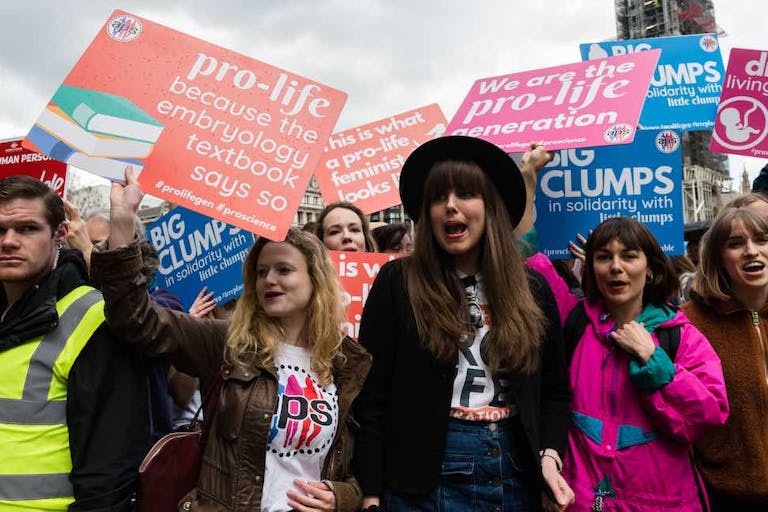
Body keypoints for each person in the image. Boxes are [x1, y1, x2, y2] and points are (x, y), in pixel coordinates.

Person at [89, 169, 372, 511]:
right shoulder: (229, 343)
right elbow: (134, 318)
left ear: (316, 280)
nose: (269, 280)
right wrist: (123, 222)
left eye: (283, 270)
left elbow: (358, 467)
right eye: (261, 271)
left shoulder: (347, 363)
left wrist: (340, 497)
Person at [354, 135, 573, 511]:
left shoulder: (532, 288)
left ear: (491, 208)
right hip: (421, 482)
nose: (451, 207)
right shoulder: (397, 282)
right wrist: (371, 493)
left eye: (465, 195)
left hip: (514, 472)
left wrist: (550, 458)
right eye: (439, 198)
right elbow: (371, 397)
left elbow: (554, 391)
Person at [0, 176, 148, 510]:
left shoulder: (95, 317)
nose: (9, 241)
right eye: (0, 230)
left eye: (26, 229)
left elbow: (109, 471)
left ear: (61, 234)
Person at [562, 216, 728, 511]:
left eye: (629, 256)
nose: (616, 267)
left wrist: (655, 362)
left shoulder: (679, 335)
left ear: (650, 268)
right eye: (604, 257)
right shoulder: (573, 324)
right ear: (591, 267)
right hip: (587, 501)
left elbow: (707, 416)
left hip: (662, 501)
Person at [683, 198, 768, 510]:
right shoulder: (689, 323)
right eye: (736, 243)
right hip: (721, 496)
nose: (751, 251)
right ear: (719, 257)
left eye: (762, 240)